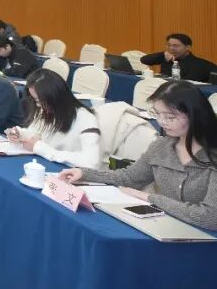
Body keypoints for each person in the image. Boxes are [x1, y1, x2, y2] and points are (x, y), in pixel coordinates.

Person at [61, 81, 217, 229]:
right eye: (157, 114)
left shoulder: (212, 155)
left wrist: (150, 198)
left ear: (195, 115)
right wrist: (84, 173)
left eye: (170, 117)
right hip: (169, 226)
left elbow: (210, 217)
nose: (162, 122)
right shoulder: (161, 146)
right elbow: (130, 178)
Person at [6, 69, 101, 169]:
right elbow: (36, 133)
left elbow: (92, 163)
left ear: (55, 98)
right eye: (36, 101)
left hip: (70, 172)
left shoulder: (86, 119)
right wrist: (20, 133)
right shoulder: (47, 110)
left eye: (39, 101)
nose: (38, 105)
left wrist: (40, 148)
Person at [140, 33, 216, 82]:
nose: (171, 48)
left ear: (187, 47)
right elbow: (144, 60)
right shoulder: (167, 57)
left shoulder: (200, 65)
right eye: (169, 45)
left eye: (176, 46)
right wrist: (162, 54)